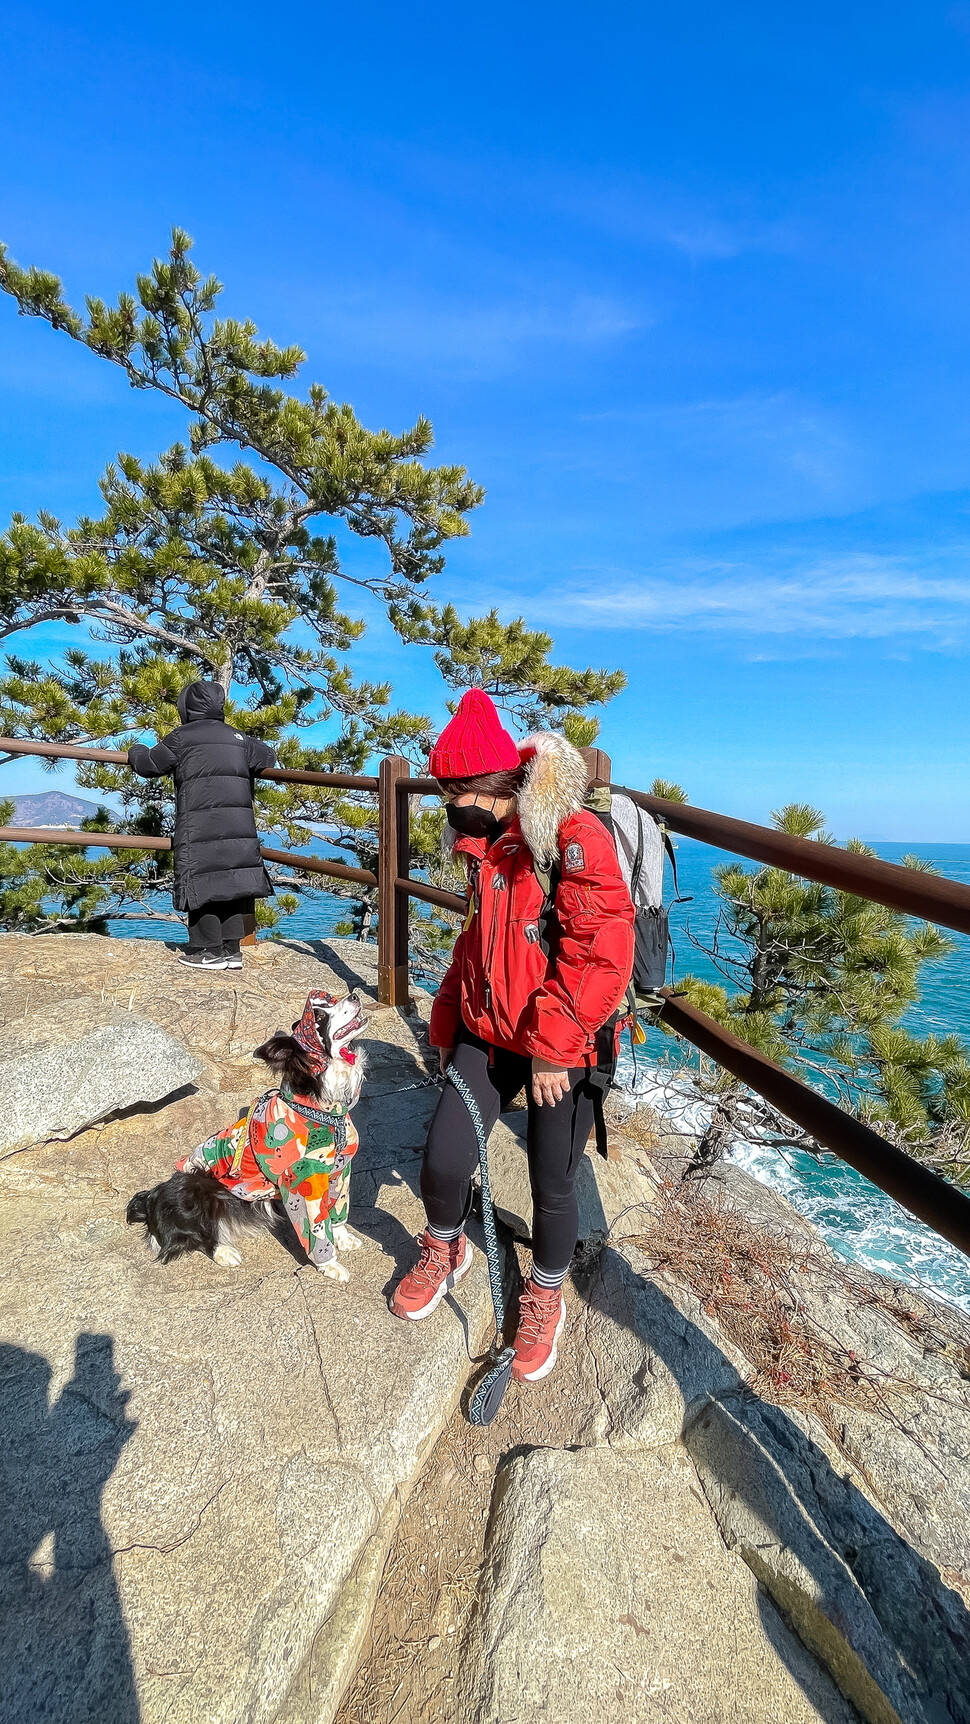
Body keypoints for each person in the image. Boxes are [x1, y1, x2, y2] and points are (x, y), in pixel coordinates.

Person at [389, 689, 635, 1384]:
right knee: (442, 1159)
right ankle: (446, 1247)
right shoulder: (483, 845)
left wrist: (554, 1048)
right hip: (488, 1027)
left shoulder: (571, 837)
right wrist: (446, 1021)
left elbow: (603, 949)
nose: (449, 807)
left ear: (495, 786)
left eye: (456, 792)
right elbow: (477, 945)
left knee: (550, 1185)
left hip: (566, 1040)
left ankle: (545, 1292)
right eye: (444, 794)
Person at [127, 680, 275, 971]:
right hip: (238, 826)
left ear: (187, 707)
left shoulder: (182, 737)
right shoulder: (238, 738)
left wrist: (135, 750)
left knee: (203, 882)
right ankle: (231, 950)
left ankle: (208, 951)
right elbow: (268, 756)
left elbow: (149, 765)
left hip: (200, 824)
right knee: (231, 882)